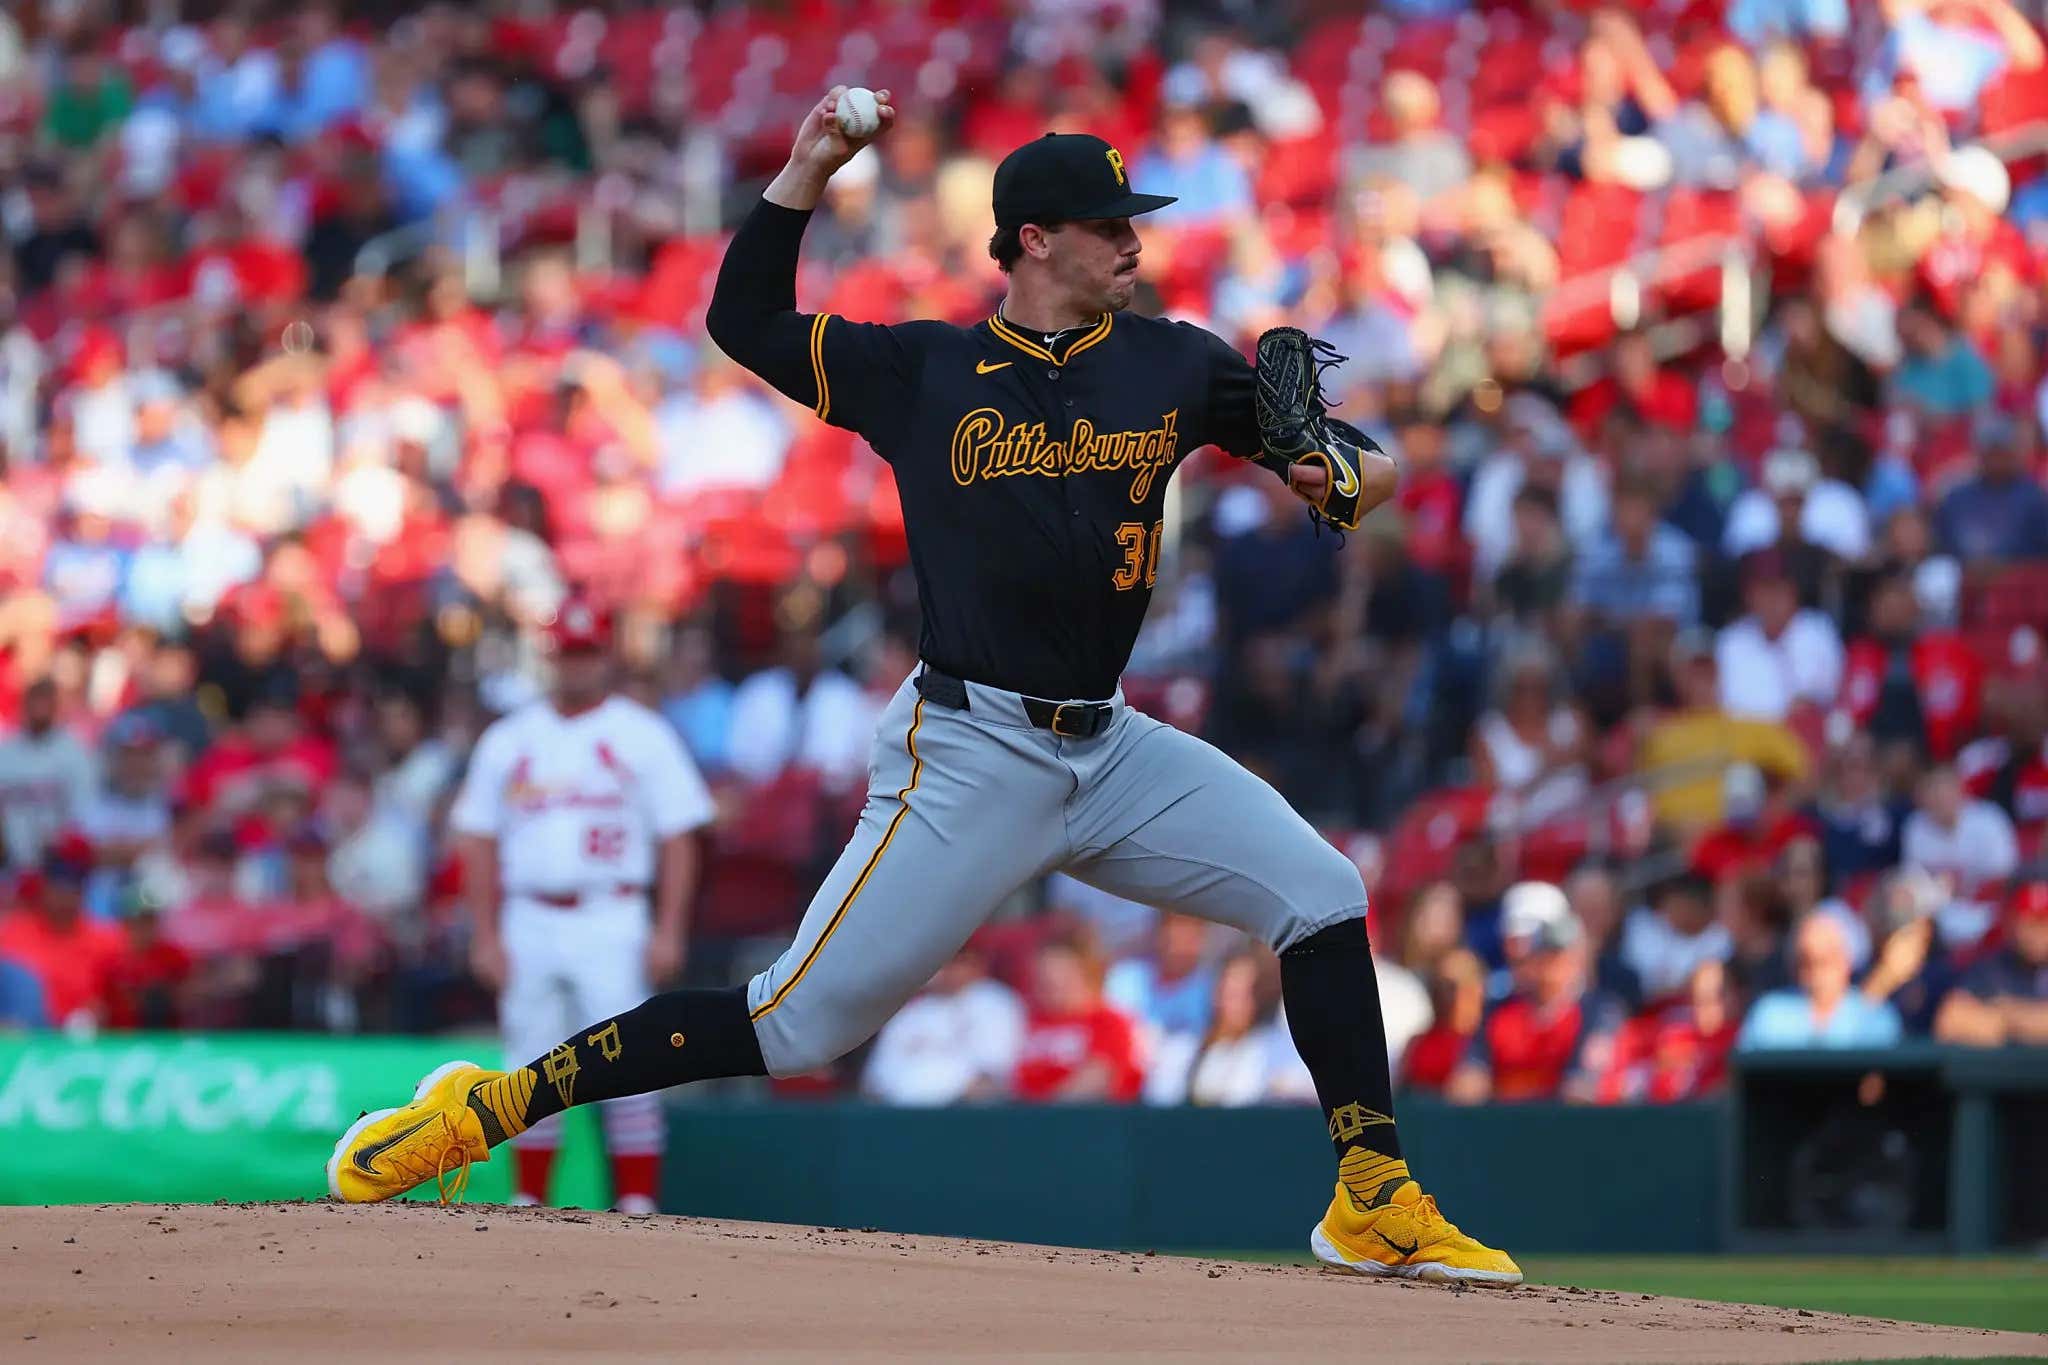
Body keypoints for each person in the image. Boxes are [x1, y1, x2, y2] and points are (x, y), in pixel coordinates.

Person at [331, 89, 1519, 1285]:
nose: (1133, 241)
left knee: (1320, 892)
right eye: (1106, 223)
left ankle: (1372, 1195)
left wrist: (1327, 474)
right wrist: (804, 169)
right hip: (970, 752)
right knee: (797, 1026)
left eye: (1133, 220)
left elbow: (1355, 475)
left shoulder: (1175, 361)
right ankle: (489, 1106)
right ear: (1033, 240)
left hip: (1111, 750)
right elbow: (744, 321)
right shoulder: (922, 368)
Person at [441, 595, 715, 1215]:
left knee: (631, 1057)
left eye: (587, 653)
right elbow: (477, 839)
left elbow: (680, 836)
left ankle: (638, 1202)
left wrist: (669, 928)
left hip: (612, 914)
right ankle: (528, 1200)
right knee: (531, 1064)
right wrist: (484, 934)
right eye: (567, 653)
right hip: (530, 915)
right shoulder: (512, 738)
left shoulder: (640, 734)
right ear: (550, 656)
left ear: (606, 656)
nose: (576, 666)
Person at [861, 941, 1025, 1105]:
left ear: (976, 963)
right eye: (941, 963)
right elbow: (876, 1079)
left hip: (964, 1110)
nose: (948, 970)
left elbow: (991, 1075)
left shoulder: (994, 1002)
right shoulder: (910, 1012)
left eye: (957, 961)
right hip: (898, 1111)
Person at [1012, 929, 1144, 1103]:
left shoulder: (1108, 1021)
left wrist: (1040, 1117)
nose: (1051, 983)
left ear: (1084, 972)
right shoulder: (1029, 1021)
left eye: (1060, 976)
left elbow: (1096, 1079)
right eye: (1043, 978)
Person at [1737, 914, 1903, 1050]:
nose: (1815, 972)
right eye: (1805, 960)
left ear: (1846, 960)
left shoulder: (1875, 1015)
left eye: (1825, 959)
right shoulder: (1769, 1013)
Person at [1933, 880, 2048, 1046]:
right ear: (2013, 923)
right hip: (2008, 1070)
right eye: (2029, 922)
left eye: (2043, 923)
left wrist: (2006, 1013)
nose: (2037, 933)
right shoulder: (1993, 968)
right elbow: (1950, 1021)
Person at [0, 677, 96, 874]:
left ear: (56, 707)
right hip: (9, 865)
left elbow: (83, 815)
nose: (39, 708)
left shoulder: (74, 752)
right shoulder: (6, 752)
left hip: (57, 865)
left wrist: (61, 845)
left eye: (45, 701)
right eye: (34, 700)